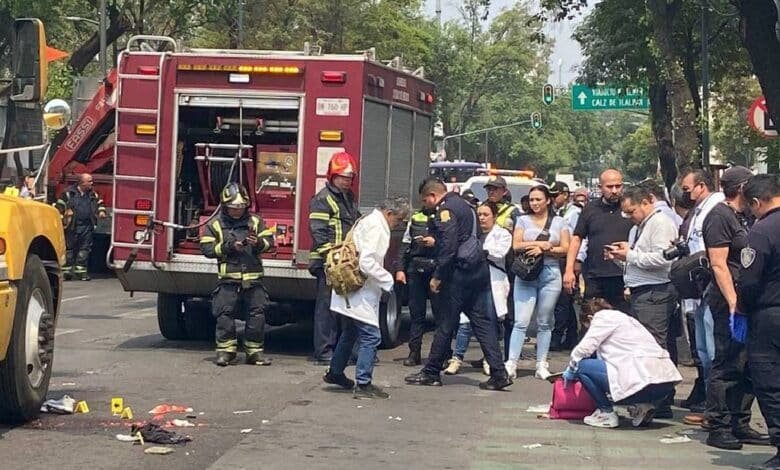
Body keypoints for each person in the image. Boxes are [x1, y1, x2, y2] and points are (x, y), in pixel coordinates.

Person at [405, 178, 511, 390]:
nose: (427, 205)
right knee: (483, 323)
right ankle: (499, 373)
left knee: (445, 322)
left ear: (433, 196)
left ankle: (431, 371)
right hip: (478, 270)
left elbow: (449, 246)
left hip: (458, 274)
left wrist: (438, 274)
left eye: (426, 201)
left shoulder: (446, 210)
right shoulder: (467, 206)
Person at [700, 165, 769, 450]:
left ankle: (739, 421)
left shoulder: (747, 215)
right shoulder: (719, 217)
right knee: (727, 362)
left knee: (748, 364)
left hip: (750, 299)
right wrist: (732, 303)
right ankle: (719, 424)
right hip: (728, 299)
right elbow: (719, 264)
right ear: (741, 187)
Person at [323, 197, 409, 399]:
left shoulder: (366, 220)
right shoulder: (376, 227)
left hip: (351, 289)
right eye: (398, 220)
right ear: (389, 213)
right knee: (371, 336)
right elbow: (367, 262)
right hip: (360, 290)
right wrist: (387, 280)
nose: (398, 224)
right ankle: (363, 383)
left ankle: (335, 372)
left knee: (350, 332)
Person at [605, 186, 678, 418]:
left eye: (632, 211)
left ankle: (660, 399)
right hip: (641, 290)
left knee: (655, 345)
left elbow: (664, 258)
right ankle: (653, 396)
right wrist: (621, 258)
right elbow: (638, 261)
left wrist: (631, 255)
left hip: (656, 292)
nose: (629, 216)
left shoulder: (660, 223)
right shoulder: (638, 228)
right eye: (625, 213)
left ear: (647, 202)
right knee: (645, 345)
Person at [562, 298, 682, 429]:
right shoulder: (628, 320)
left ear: (590, 318)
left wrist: (571, 367)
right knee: (623, 375)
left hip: (642, 381)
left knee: (582, 367)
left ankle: (606, 412)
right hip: (665, 384)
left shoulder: (601, 318)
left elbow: (584, 349)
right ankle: (643, 406)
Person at [200, 183, 275, 367]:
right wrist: (229, 247)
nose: (237, 211)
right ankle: (226, 352)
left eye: (240, 207)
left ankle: (254, 353)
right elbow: (207, 248)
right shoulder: (215, 224)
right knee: (224, 315)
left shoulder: (256, 222)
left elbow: (270, 243)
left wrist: (257, 243)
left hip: (253, 279)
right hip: (228, 280)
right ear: (225, 206)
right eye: (233, 208)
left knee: (257, 316)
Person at [505, 185, 570, 380]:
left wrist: (548, 250)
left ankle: (542, 363)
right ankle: (511, 363)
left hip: (550, 273)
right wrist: (539, 244)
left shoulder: (560, 222)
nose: (534, 203)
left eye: (538, 199)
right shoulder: (522, 220)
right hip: (526, 273)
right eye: (531, 200)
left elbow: (565, 248)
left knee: (544, 322)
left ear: (547, 200)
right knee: (520, 321)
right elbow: (516, 245)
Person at [738, 174, 780, 470]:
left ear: (756, 202)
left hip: (770, 315)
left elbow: (750, 282)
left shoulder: (761, 231)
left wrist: (741, 311)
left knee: (770, 384)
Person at [444, 201, 512, 375]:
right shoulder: (471, 235)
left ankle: (489, 360)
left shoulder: (502, 234)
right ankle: (457, 358)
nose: (482, 218)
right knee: (464, 322)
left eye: (486, 214)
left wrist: (479, 252)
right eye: (479, 214)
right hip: (471, 280)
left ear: (494, 217)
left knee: (490, 322)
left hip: (493, 281)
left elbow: (499, 254)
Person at [308, 152, 361, 365]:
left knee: (345, 308)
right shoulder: (322, 199)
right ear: (332, 176)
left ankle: (343, 351)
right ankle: (324, 352)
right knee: (327, 309)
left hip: (343, 262)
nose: (347, 181)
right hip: (328, 263)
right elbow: (318, 231)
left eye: (350, 178)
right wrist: (332, 256)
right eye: (343, 177)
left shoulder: (347, 198)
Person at [564, 169, 632, 312]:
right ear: (600, 187)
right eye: (609, 187)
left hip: (624, 276)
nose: (614, 191)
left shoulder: (630, 208)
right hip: (595, 276)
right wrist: (569, 270)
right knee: (591, 321)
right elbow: (577, 239)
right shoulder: (590, 209)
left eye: (618, 186)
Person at [395, 201, 441, 367]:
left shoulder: (445, 216)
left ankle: (442, 354)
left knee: (441, 316)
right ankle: (414, 353)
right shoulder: (415, 217)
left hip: (436, 270)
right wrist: (400, 268)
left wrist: (435, 241)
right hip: (416, 269)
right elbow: (405, 245)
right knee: (417, 315)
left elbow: (451, 244)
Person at [54, 173, 107, 281]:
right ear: (82, 183)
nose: (92, 183)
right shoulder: (69, 193)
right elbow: (59, 207)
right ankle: (66, 272)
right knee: (69, 250)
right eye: (89, 181)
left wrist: (101, 212)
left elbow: (100, 203)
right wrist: (61, 221)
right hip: (72, 226)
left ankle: (81, 272)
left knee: (84, 249)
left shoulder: (92, 194)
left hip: (87, 226)